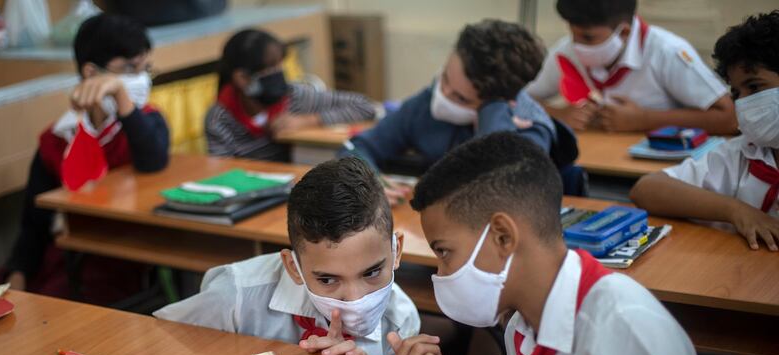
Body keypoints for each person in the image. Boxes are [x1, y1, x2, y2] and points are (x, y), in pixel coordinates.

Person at [391, 131, 748, 355]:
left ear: (502, 237)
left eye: (444, 252)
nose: (442, 273)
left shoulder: (621, 319)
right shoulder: (521, 325)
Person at [155, 157, 419, 355]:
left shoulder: (399, 319)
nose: (354, 298)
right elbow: (162, 347)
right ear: (293, 267)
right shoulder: (236, 294)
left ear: (396, 251)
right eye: (328, 280)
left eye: (371, 273)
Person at [3, 13, 169, 296]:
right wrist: (16, 275)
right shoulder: (58, 139)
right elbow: (34, 223)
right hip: (69, 253)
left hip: (126, 256)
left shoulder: (148, 122)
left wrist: (121, 95)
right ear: (91, 73)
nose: (140, 79)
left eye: (145, 68)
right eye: (129, 68)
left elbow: (152, 161)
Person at [631, 10, 779, 251]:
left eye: (754, 87)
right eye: (736, 93)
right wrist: (736, 210)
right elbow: (646, 189)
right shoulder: (747, 153)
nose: (743, 103)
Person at [340, 19, 558, 177]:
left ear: (500, 103)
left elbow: (495, 193)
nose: (442, 95)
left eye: (461, 98)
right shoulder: (426, 103)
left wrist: (493, 126)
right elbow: (358, 147)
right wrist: (371, 182)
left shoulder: (530, 130)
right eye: (444, 77)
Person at [526, 0, 737, 134]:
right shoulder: (567, 50)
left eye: (588, 38)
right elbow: (516, 97)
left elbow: (729, 118)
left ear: (624, 32)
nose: (576, 45)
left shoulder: (667, 52)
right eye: (572, 34)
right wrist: (557, 114)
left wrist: (644, 119)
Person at [205, 28, 377, 162]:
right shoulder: (219, 120)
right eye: (270, 68)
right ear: (242, 78)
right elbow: (222, 173)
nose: (279, 73)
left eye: (280, 65)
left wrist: (306, 120)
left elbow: (364, 106)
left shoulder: (295, 97)